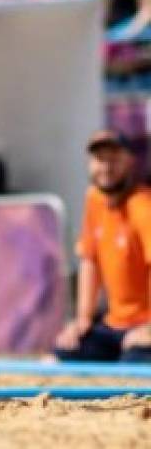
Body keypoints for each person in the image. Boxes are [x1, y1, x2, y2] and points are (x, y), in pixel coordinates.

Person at [54, 130, 151, 363]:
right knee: (67, 351)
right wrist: (82, 320)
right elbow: (89, 259)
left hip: (144, 324)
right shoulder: (94, 199)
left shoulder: (143, 205)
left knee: (133, 366)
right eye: (100, 159)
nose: (106, 167)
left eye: (114, 159)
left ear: (130, 161)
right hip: (113, 325)